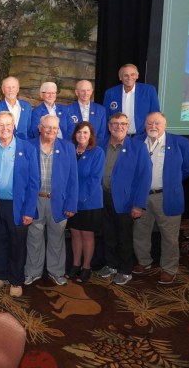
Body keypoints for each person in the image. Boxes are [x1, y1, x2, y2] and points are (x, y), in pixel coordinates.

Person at [133, 112, 189, 284]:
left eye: (157, 123)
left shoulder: (180, 142)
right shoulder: (136, 141)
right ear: (144, 125)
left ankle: (169, 269)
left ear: (165, 125)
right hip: (141, 197)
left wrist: (173, 180)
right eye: (149, 123)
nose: (153, 126)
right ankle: (143, 261)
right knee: (140, 232)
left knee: (169, 236)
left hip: (167, 196)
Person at [96, 112, 151, 285]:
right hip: (103, 198)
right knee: (108, 235)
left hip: (126, 201)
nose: (119, 126)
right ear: (109, 126)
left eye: (123, 124)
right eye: (115, 123)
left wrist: (138, 205)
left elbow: (144, 177)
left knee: (124, 237)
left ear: (128, 127)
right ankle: (111, 265)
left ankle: (125, 270)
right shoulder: (100, 144)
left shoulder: (138, 147)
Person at [0, 112, 39, 297]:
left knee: (17, 244)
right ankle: (0, 275)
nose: (5, 128)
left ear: (14, 126)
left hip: (18, 205)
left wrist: (29, 210)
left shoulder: (27, 148)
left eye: (8, 124)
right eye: (0, 125)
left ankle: (16, 280)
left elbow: (34, 182)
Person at [24, 115, 78, 286]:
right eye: (47, 127)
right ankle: (33, 272)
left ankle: (56, 272)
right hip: (35, 201)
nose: (51, 131)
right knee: (34, 238)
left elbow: (73, 179)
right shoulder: (28, 146)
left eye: (54, 128)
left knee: (57, 239)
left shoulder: (67, 147)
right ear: (40, 128)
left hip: (59, 202)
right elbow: (23, 178)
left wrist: (71, 204)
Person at [66, 122, 105, 284]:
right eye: (79, 132)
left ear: (91, 135)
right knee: (75, 234)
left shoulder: (97, 152)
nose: (82, 135)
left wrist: (78, 198)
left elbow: (95, 179)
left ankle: (86, 267)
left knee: (87, 235)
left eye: (85, 133)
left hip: (89, 201)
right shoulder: (70, 150)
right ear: (75, 134)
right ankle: (75, 265)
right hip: (71, 201)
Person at [103, 64, 160, 137]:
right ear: (120, 77)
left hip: (142, 137)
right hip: (118, 137)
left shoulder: (149, 91)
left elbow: (155, 115)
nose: (129, 78)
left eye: (132, 75)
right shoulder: (110, 93)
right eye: (126, 75)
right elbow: (106, 117)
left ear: (137, 76)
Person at [0, 76, 32, 142]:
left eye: (13, 87)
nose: (11, 90)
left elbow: (30, 131)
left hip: (24, 145)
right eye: (8, 87)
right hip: (3, 146)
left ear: (18, 89)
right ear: (3, 90)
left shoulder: (27, 106)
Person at [66, 80, 107, 145]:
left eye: (88, 90)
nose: (86, 93)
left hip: (94, 148)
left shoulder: (100, 110)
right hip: (74, 147)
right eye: (83, 91)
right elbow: (67, 134)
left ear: (91, 91)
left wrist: (94, 147)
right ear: (76, 92)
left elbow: (102, 134)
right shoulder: (67, 110)